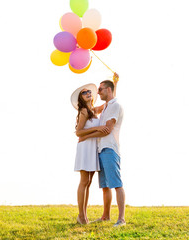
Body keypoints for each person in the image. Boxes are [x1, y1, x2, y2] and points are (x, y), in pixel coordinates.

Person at [78, 73, 126, 227]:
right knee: (102, 185)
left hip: (107, 148)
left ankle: (121, 219)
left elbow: (107, 127)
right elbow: (110, 99)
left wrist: (87, 135)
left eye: (98, 89)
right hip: (96, 149)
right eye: (86, 92)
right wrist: (114, 84)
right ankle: (101, 216)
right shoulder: (97, 109)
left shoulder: (108, 107)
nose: (95, 92)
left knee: (114, 183)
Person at [71, 83, 109, 225]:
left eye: (89, 92)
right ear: (81, 98)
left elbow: (109, 102)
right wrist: (97, 129)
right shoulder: (84, 112)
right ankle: (81, 216)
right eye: (84, 92)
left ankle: (84, 216)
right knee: (84, 181)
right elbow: (78, 132)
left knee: (88, 182)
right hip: (85, 148)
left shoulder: (92, 110)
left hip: (92, 146)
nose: (88, 93)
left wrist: (114, 84)